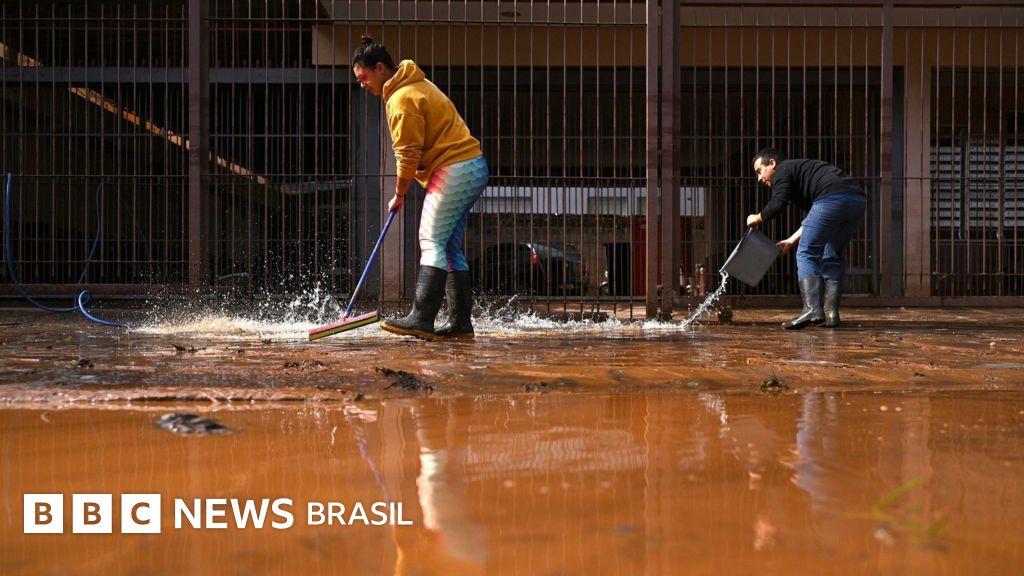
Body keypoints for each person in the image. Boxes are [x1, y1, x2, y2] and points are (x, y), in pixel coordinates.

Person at [352, 36, 488, 340]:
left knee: (430, 240)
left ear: (380, 68)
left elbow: (407, 155)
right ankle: (460, 324)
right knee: (449, 247)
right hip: (469, 167)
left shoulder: (401, 99)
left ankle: (422, 318)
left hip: (455, 168)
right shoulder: (415, 85)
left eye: (363, 77)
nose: (362, 84)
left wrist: (399, 193)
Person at [746, 149, 867, 330]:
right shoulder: (801, 174)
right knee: (831, 255)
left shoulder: (783, 170)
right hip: (856, 200)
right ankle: (831, 314)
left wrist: (757, 217)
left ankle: (811, 310)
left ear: (772, 163)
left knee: (806, 253)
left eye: (759, 171)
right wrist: (791, 240)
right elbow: (816, 216)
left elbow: (778, 203)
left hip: (831, 199)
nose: (759, 178)